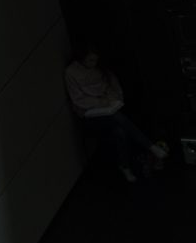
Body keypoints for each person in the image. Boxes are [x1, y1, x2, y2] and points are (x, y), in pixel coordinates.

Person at [64, 46, 167, 183]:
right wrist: (100, 102)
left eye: (95, 60)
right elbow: (78, 99)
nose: (93, 63)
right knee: (117, 119)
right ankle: (150, 147)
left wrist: (112, 100)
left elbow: (115, 89)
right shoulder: (71, 72)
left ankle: (125, 165)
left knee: (120, 131)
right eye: (90, 60)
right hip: (89, 114)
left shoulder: (102, 70)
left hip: (108, 108)